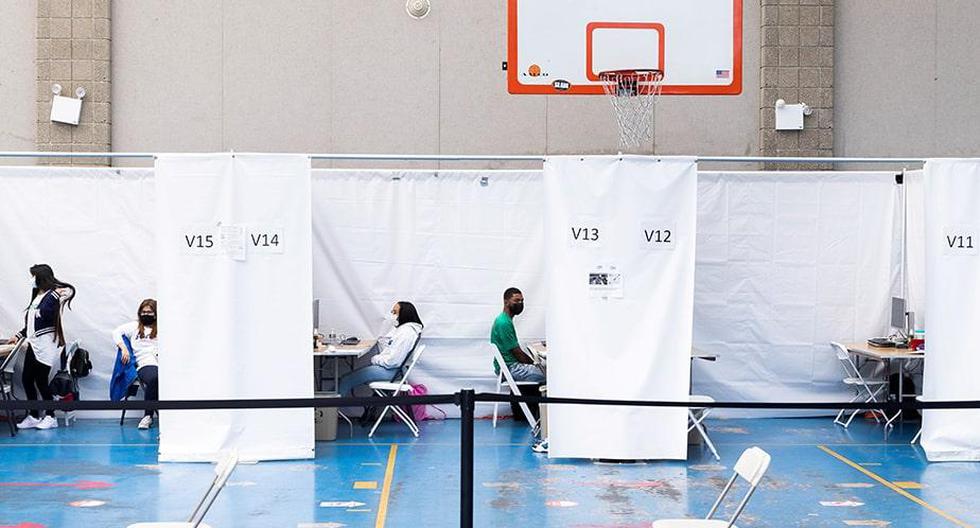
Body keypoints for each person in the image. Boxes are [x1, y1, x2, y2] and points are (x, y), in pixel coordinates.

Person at [6, 264, 76, 430]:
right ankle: (34, 415)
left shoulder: (53, 295)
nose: (31, 280)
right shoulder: (37, 296)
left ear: (42, 277)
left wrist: (55, 292)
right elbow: (31, 323)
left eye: (34, 276)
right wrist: (18, 335)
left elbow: (69, 292)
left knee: (41, 381)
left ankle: (50, 417)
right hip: (33, 343)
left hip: (45, 344)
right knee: (27, 380)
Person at [337, 301, 423, 398]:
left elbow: (393, 362)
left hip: (391, 371)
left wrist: (375, 359)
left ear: (404, 314)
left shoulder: (406, 333)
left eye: (394, 312)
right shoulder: (405, 330)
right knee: (347, 379)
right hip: (393, 370)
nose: (392, 315)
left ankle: (330, 411)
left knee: (346, 380)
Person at [112, 299, 159, 430]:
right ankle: (148, 416)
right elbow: (116, 332)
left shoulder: (162, 326)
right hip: (146, 363)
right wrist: (124, 348)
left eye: (149, 312)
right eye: (143, 312)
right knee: (155, 378)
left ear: (155, 313)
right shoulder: (134, 326)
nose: (146, 314)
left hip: (163, 362)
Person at [490, 287, 544, 383]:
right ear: (506, 302)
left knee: (545, 370)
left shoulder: (504, 319)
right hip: (510, 368)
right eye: (516, 300)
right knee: (548, 374)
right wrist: (535, 364)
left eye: (522, 300)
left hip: (509, 366)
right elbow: (517, 352)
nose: (520, 303)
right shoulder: (504, 322)